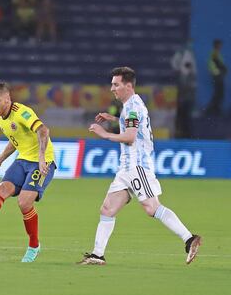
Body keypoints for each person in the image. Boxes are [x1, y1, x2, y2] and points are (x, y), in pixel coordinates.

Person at [78, 67, 202, 266]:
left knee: (151, 207)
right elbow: (132, 127)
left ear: (128, 85)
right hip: (126, 168)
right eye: (112, 84)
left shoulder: (133, 106)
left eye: (116, 84)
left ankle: (189, 239)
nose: (112, 89)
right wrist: (115, 120)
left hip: (137, 166)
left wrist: (105, 134)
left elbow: (130, 137)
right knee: (108, 209)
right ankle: (97, 255)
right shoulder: (130, 106)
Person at [0, 82, 56, 263]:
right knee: (2, 190)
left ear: (7, 99)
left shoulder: (22, 112)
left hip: (41, 162)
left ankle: (33, 245)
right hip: (22, 160)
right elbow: (15, 139)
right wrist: (0, 158)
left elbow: (44, 130)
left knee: (24, 203)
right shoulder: (0, 116)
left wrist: (41, 158)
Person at [171, 40, 197, 138]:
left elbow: (192, 88)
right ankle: (180, 132)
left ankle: (185, 133)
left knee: (185, 116)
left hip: (187, 100)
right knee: (181, 115)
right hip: (182, 101)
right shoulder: (183, 77)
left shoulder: (190, 76)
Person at [207, 39, 227, 115]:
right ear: (216, 45)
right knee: (219, 93)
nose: (221, 46)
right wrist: (219, 72)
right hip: (217, 76)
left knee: (219, 93)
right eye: (220, 44)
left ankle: (214, 109)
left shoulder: (216, 53)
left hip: (218, 76)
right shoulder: (214, 54)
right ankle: (213, 110)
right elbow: (212, 65)